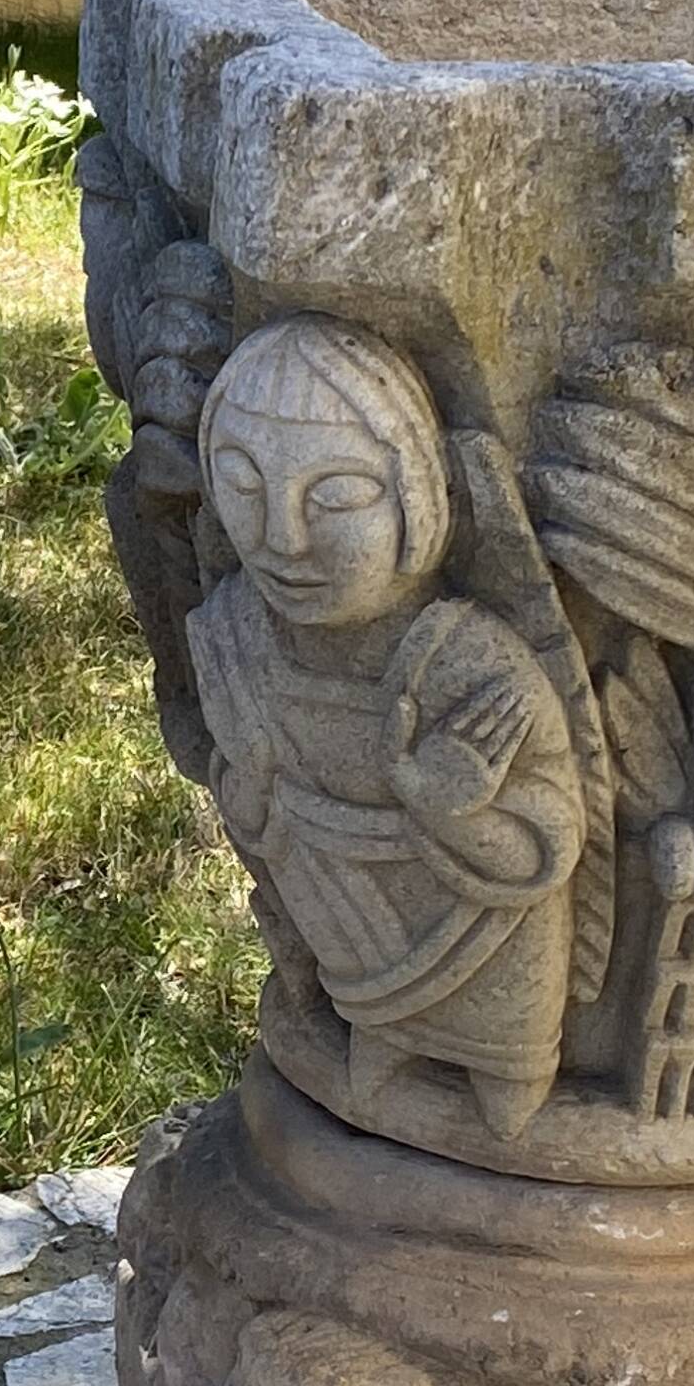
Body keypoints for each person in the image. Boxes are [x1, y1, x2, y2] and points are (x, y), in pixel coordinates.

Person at [185, 316, 581, 1136]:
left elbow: (554, 842)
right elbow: (250, 809)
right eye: (245, 486)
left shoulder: (467, 660)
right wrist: (253, 793)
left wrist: (457, 813)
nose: (283, 538)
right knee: (373, 1073)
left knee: (509, 1114)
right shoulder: (236, 637)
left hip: (489, 944)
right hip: (354, 952)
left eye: (335, 495)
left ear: (418, 497)